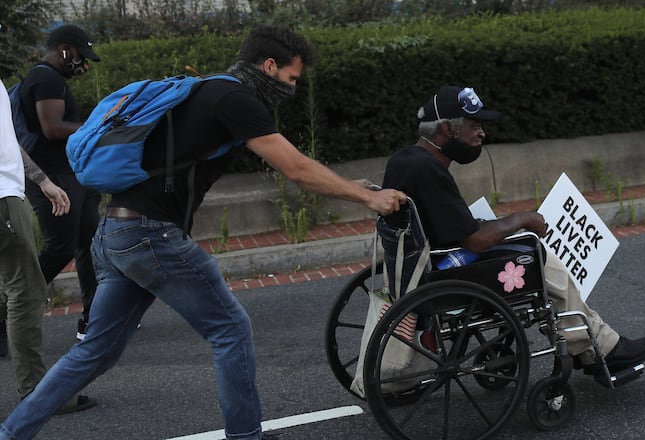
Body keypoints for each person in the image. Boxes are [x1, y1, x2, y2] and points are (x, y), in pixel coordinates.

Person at [0, 25, 406, 440]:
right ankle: (246, 436)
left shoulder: (209, 89)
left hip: (114, 232)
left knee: (94, 351)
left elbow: (293, 163)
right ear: (269, 66)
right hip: (150, 235)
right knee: (230, 330)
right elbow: (296, 168)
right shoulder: (238, 99)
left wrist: (356, 188)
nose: (292, 89)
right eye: (291, 79)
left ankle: (11, 433)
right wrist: (367, 199)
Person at [381, 85, 645, 383]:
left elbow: (450, 225)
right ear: (447, 128)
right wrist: (522, 219)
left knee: (519, 242)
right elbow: (475, 240)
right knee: (537, 253)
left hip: (421, 266)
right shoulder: (429, 170)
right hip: (444, 274)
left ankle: (592, 339)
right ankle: (597, 347)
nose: (481, 134)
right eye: (474, 126)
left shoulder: (405, 159)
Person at [0, 76, 96, 412]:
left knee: (14, 288)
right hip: (2, 201)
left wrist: (43, 182)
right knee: (25, 291)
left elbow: (9, 141)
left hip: (10, 194)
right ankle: (37, 393)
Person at [18, 24, 102, 340]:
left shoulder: (51, 78)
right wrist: (96, 126)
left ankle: (95, 317)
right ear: (65, 49)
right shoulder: (45, 78)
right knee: (61, 246)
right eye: (80, 57)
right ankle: (9, 310)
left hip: (71, 173)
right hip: (50, 177)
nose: (82, 65)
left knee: (89, 242)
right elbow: (52, 128)